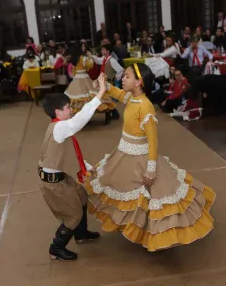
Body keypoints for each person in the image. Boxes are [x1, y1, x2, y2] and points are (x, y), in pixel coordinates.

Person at [84, 65, 215, 252]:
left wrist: (151, 168)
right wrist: (104, 86)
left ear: (138, 82)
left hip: (140, 157)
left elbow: (153, 141)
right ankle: (133, 226)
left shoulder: (145, 107)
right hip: (124, 153)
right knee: (118, 188)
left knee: (148, 198)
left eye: (127, 76)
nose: (123, 78)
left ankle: (149, 234)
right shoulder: (132, 97)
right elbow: (120, 94)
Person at [39, 78, 107, 261]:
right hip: (54, 183)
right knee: (73, 214)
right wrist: (100, 94)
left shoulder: (57, 128)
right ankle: (56, 247)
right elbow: (80, 119)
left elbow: (69, 154)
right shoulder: (60, 128)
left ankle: (81, 233)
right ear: (57, 111)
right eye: (68, 107)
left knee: (81, 195)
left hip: (60, 177)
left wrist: (87, 167)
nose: (71, 109)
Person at [64, 42, 116, 124]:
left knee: (79, 100)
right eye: (82, 47)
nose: (84, 48)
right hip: (84, 78)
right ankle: (107, 113)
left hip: (76, 80)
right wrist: (90, 55)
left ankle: (81, 118)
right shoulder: (82, 58)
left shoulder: (74, 59)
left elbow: (73, 71)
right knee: (94, 96)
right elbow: (90, 65)